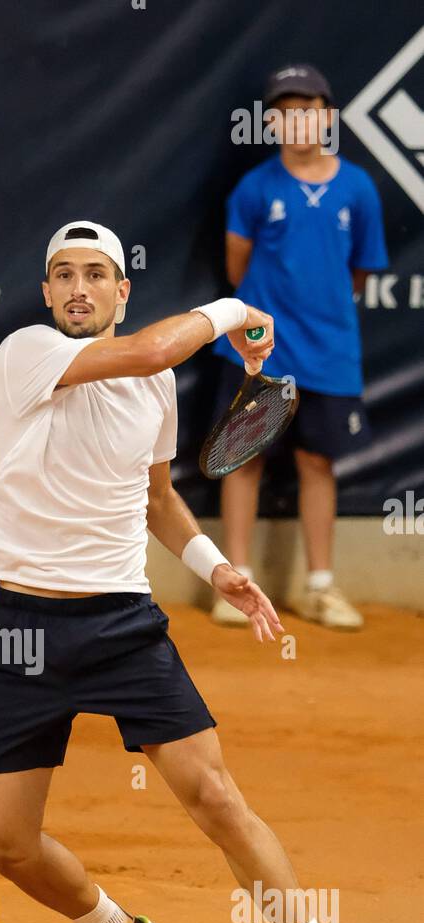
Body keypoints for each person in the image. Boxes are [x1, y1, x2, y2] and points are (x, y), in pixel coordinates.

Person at [0, 218, 402, 923]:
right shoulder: (27, 354)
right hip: (23, 628)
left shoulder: (151, 386)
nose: (79, 288)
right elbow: (151, 352)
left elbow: (157, 496)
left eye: (97, 275)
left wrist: (217, 567)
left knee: (219, 800)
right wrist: (237, 307)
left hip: (124, 624)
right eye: (64, 276)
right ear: (47, 293)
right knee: (7, 846)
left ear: (123, 291)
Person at [212, 63, 389, 630]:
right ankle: (233, 580)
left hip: (331, 349)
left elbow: (359, 269)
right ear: (271, 123)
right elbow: (237, 268)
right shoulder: (255, 188)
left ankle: (318, 586)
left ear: (328, 117)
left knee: (318, 463)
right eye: (284, 114)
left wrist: (323, 308)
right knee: (243, 458)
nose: (297, 122)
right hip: (260, 350)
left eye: (307, 110)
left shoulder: (358, 188)